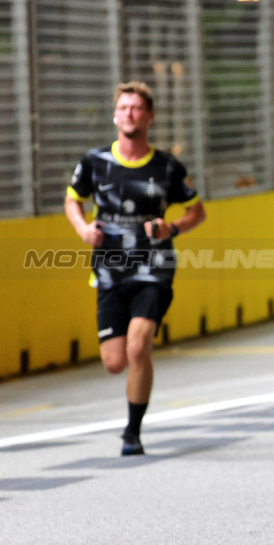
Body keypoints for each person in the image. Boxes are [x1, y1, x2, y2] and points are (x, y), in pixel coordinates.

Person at [64, 81, 206, 456]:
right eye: (124, 107)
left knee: (139, 344)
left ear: (150, 116)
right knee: (115, 362)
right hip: (110, 269)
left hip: (153, 266)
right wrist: (83, 228)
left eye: (137, 108)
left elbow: (196, 211)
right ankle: (132, 406)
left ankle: (132, 431)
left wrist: (170, 227)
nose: (130, 114)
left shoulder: (168, 167)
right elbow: (72, 201)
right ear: (115, 115)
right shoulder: (94, 163)